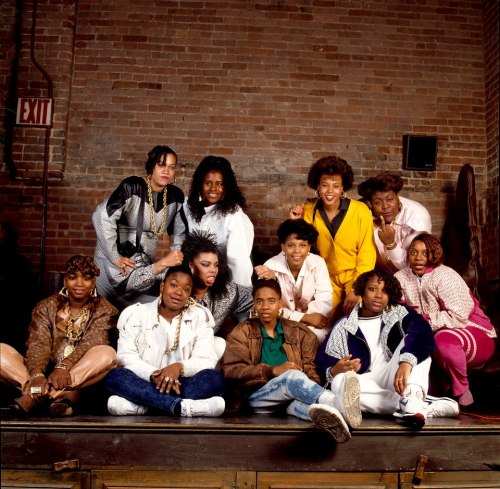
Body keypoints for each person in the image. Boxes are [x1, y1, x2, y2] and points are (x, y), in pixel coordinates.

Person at [316, 269, 459, 429]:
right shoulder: (343, 326)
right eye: (372, 289)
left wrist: (406, 362)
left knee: (416, 347)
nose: (378, 295)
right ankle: (415, 405)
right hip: (367, 384)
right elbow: (323, 366)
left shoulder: (400, 313)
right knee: (338, 384)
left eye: (385, 291)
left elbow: (422, 332)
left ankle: (411, 397)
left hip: (397, 376)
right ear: (362, 291)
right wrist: (335, 370)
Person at [223, 278, 361, 443]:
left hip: (289, 401)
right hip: (257, 398)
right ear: (254, 303)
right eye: (260, 301)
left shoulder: (300, 333)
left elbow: (311, 372)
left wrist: (305, 389)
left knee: (315, 410)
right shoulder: (242, 332)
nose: (265, 307)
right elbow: (232, 371)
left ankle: (339, 424)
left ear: (280, 303)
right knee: (291, 377)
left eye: (271, 301)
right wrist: (271, 371)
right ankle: (335, 403)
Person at [0, 255, 117, 417]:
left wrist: (64, 367)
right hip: (42, 373)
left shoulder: (105, 309)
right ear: (64, 281)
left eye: (87, 278)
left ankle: (32, 397)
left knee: (107, 353)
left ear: (94, 283)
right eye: (72, 277)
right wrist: (37, 374)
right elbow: (38, 343)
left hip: (78, 376)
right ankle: (50, 393)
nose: (79, 283)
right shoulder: (46, 306)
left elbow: (92, 342)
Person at [105, 265, 226, 417]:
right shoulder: (136, 314)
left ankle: (147, 406)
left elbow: (205, 359)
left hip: (183, 383)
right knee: (115, 376)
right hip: (145, 380)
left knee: (215, 379)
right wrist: (153, 374)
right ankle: (180, 407)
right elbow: (126, 357)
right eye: (173, 285)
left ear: (190, 294)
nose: (178, 292)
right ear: (162, 286)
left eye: (186, 289)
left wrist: (178, 368)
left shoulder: (200, 316)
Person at [395, 233, 497, 408]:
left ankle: (462, 388)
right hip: (430, 335)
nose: (418, 258)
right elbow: (396, 312)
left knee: (442, 340)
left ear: (434, 254)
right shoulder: (401, 278)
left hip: (473, 332)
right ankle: (429, 392)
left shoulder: (445, 275)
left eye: (425, 253)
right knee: (410, 341)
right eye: (413, 252)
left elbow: (458, 315)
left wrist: (422, 322)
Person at [92, 145, 186, 309]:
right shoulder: (132, 187)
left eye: (172, 167)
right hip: (114, 264)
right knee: (151, 307)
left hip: (142, 266)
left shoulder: (175, 196)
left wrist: (176, 256)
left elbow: (181, 232)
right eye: (161, 165)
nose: (166, 171)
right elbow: (101, 215)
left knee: (164, 301)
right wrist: (115, 257)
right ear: (151, 166)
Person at [290, 155, 376, 320]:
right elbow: (302, 247)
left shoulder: (360, 210)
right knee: (323, 322)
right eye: (325, 185)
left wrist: (357, 288)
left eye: (336, 186)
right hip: (325, 278)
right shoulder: (308, 211)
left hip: (356, 276)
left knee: (357, 319)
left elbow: (367, 254)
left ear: (343, 188)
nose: (330, 191)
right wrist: (295, 223)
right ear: (317, 187)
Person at [254, 219, 333, 343]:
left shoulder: (318, 263)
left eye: (302, 245)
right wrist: (304, 318)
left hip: (313, 322)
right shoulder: (269, 267)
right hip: (279, 321)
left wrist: (310, 321)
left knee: (319, 337)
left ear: (309, 247)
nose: (297, 251)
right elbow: (267, 307)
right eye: (291, 245)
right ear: (283, 247)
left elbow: (324, 299)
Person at [184, 155, 254, 287]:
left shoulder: (234, 216)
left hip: (221, 282)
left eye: (220, 184)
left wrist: (241, 297)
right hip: (191, 278)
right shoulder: (188, 206)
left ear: (227, 187)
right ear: (200, 184)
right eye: (208, 183)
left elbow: (238, 263)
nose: (213, 189)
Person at [181, 230, 252, 335]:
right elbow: (147, 283)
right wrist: (160, 265)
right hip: (174, 344)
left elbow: (256, 296)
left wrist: (272, 279)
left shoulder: (227, 292)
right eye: (206, 264)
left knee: (220, 344)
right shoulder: (173, 284)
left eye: (216, 265)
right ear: (191, 265)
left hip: (207, 346)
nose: (213, 270)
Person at [358, 173, 432, 273]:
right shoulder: (366, 211)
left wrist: (390, 244)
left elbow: (410, 266)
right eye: (378, 202)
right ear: (370, 204)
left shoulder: (416, 216)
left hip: (412, 278)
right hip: (381, 275)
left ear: (397, 196)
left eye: (389, 199)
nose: (385, 206)